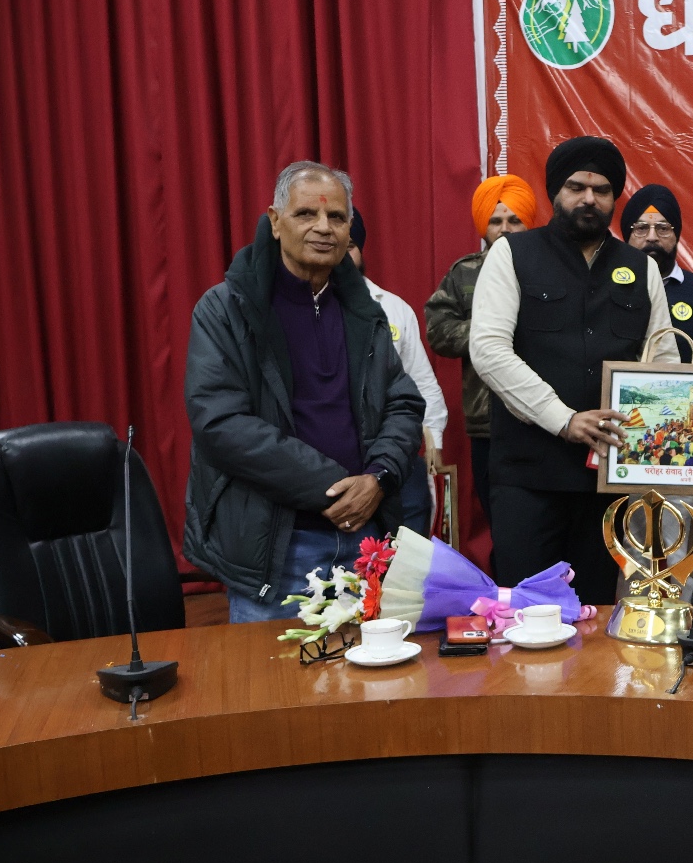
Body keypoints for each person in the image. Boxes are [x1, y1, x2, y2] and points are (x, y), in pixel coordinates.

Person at [184, 162, 424, 622]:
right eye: (306, 215)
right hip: (276, 547)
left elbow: (404, 403)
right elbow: (220, 423)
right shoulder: (226, 309)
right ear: (275, 222)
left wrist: (378, 477)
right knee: (273, 670)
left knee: (368, 667)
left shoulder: (365, 311)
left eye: (337, 217)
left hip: (364, 540)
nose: (323, 227)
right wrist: (332, 488)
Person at [469, 137, 679, 603]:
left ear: (614, 198)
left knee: (596, 612)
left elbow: (663, 363)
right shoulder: (512, 254)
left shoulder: (641, 267)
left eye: (601, 190)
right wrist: (563, 419)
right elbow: (488, 350)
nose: (589, 199)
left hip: (607, 482)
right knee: (526, 616)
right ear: (555, 193)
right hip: (528, 476)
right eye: (576, 187)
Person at [425, 175, 538, 523]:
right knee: (498, 517)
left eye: (514, 220)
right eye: (496, 221)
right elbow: (438, 332)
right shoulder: (464, 273)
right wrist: (491, 330)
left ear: (528, 222)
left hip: (544, 418)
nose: (505, 229)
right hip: (488, 421)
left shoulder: (552, 269)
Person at [347, 208, 448, 534]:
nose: (342, 256)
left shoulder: (393, 308)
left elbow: (423, 385)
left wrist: (434, 446)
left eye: (350, 246)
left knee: (410, 552)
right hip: (338, 460)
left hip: (398, 455)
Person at [620, 184, 693, 361]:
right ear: (627, 236)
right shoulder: (606, 286)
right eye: (641, 228)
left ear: (677, 235)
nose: (652, 237)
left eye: (663, 228)